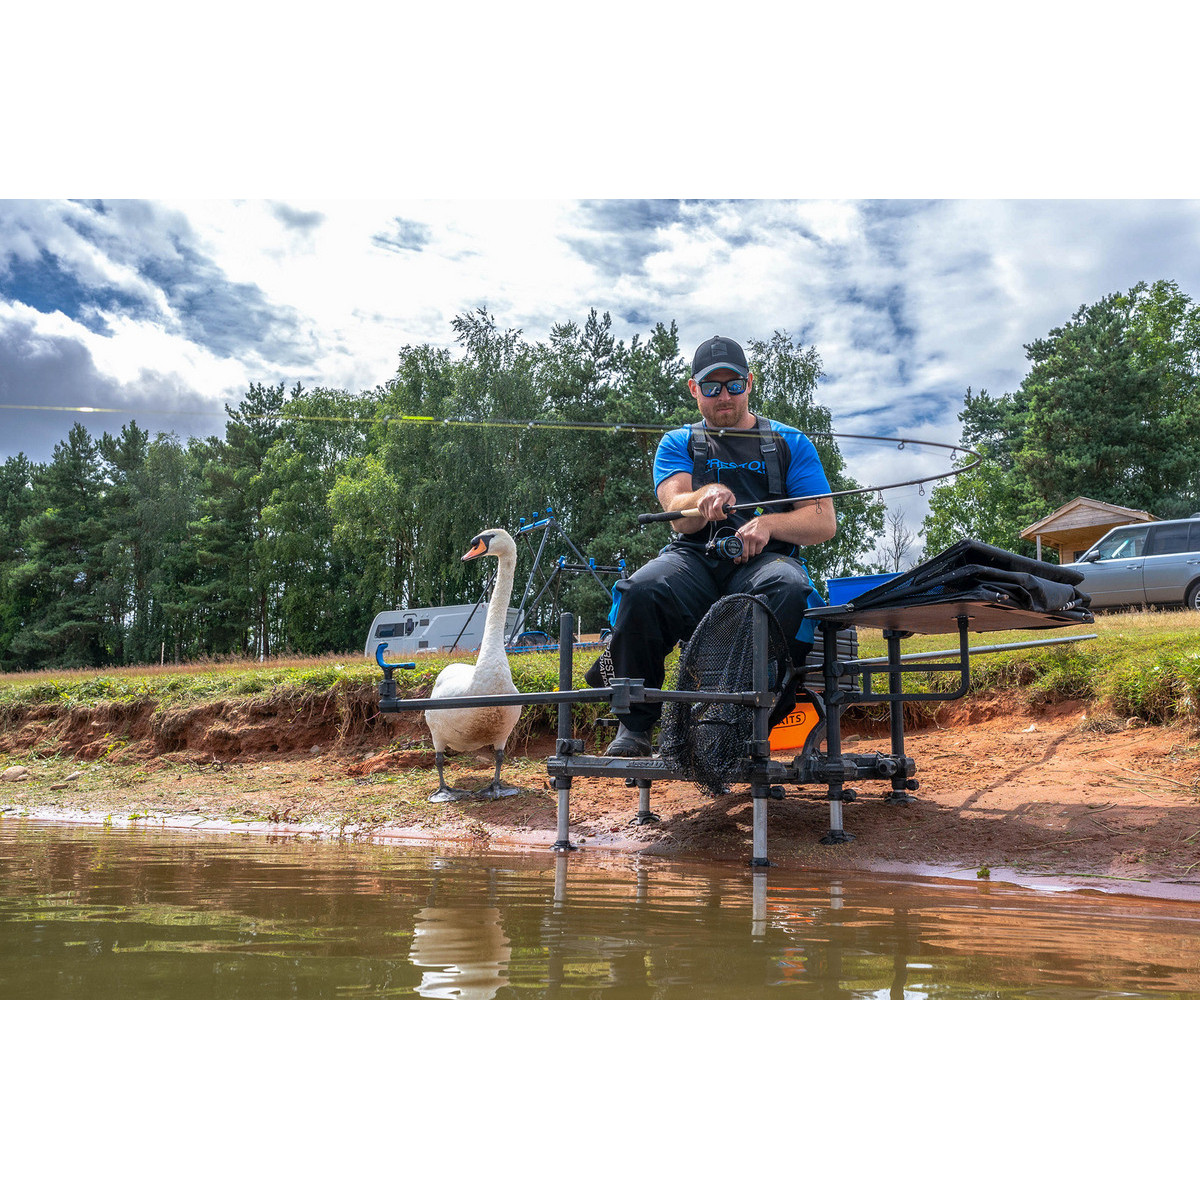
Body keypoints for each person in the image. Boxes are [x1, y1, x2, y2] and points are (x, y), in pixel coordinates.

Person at [596, 334, 837, 756]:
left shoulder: (791, 442)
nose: (724, 396)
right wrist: (702, 498)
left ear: (749, 383)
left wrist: (768, 524)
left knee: (789, 587)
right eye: (711, 387)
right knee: (641, 589)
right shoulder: (677, 442)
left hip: (766, 563)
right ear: (694, 389)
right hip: (694, 559)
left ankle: (737, 721)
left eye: (733, 385)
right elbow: (676, 510)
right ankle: (635, 727)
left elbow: (823, 521)